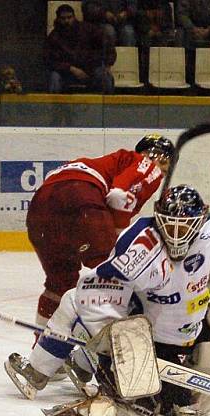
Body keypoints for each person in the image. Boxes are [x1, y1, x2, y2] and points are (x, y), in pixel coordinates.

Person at [6, 186, 210, 416]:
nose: (175, 235)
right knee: (94, 311)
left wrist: (108, 344)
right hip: (176, 339)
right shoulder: (202, 231)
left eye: (183, 228)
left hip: (164, 346)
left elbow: (96, 296)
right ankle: (82, 364)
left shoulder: (194, 234)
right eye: (169, 227)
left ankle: (40, 372)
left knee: (73, 301)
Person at [25, 134, 175, 328]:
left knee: (60, 282)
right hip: (80, 198)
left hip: (39, 209)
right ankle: (118, 339)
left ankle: (43, 343)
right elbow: (119, 197)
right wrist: (118, 243)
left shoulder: (102, 164)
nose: (162, 167)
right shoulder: (147, 165)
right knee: (117, 272)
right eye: (163, 161)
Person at [44, 1, 117, 93]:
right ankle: (54, 106)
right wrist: (71, 69)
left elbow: (107, 44)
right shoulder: (53, 37)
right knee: (54, 78)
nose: (66, 21)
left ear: (74, 17)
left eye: (69, 17)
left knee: (104, 76)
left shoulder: (88, 29)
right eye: (63, 18)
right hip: (67, 74)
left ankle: (107, 106)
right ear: (58, 19)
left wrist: (108, 64)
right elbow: (49, 60)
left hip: (90, 71)